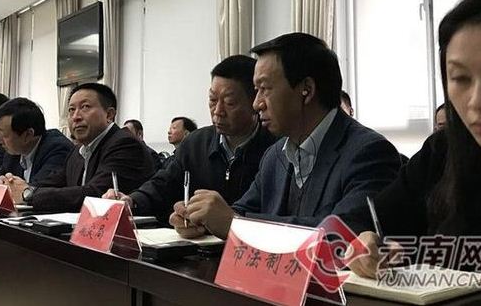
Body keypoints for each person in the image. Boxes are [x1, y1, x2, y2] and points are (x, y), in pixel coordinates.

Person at [171, 33, 402, 239]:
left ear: (306, 90)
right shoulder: (275, 154)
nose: (256, 104)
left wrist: (236, 225)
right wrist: (203, 219)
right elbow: (241, 212)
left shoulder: (369, 153)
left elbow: (343, 234)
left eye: (264, 89)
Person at [346, 0, 481, 283]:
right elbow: (368, 219)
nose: (478, 101)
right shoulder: (443, 152)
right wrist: (364, 242)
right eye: (460, 78)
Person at [104, 55, 277, 224]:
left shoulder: (276, 148)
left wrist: (225, 222)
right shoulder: (196, 143)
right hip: (196, 240)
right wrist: (133, 200)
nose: (217, 111)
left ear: (255, 102)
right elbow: (164, 184)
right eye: (212, 100)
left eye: (230, 103)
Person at [20, 83, 154, 212]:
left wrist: (30, 194)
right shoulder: (78, 150)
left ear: (109, 115)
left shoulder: (125, 145)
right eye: (71, 110)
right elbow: (56, 181)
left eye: (85, 107)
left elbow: (96, 194)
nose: (75, 117)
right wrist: (21, 188)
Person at [0, 97, 74, 199]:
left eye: (4, 135)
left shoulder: (57, 149)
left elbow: (35, 190)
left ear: (28, 134)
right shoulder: (14, 151)